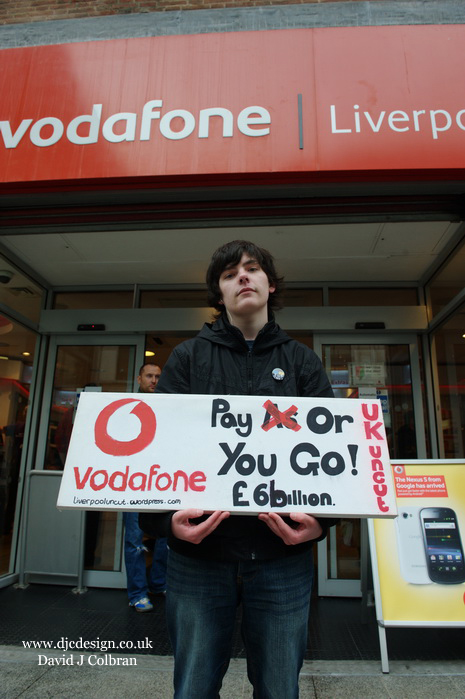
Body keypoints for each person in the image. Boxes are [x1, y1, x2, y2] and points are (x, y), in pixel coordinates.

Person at [140, 240, 337, 697]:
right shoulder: (187, 359)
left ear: (270, 285)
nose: (242, 278)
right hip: (198, 562)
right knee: (192, 688)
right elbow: (156, 454)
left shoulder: (303, 362)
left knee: (279, 689)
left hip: (281, 561)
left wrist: (322, 524)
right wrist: (165, 524)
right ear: (219, 293)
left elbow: (333, 460)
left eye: (252, 269)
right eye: (230, 274)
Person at [123, 362, 168, 612]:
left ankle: (158, 583)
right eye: (149, 376)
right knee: (135, 539)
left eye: (158, 376)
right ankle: (137, 593)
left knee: (165, 536)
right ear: (138, 377)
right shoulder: (127, 408)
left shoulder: (166, 407)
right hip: (133, 483)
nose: (154, 380)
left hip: (161, 482)